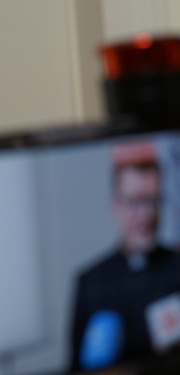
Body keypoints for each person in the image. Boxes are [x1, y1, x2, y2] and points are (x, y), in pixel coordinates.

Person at [70, 146, 180, 371]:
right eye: (134, 202)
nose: (146, 214)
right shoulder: (90, 281)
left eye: (153, 200)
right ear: (116, 205)